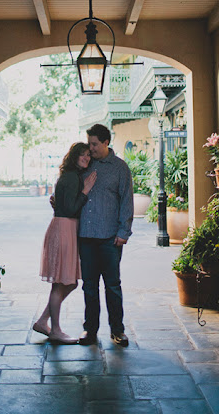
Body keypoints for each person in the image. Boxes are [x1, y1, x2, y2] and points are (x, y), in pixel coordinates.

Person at [34, 142, 97, 344]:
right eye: (82, 155)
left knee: (69, 282)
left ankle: (44, 321)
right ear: (73, 157)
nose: (86, 158)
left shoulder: (70, 176)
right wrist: (86, 190)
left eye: (88, 155)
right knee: (61, 283)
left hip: (65, 229)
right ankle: (56, 330)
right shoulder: (71, 177)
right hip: (64, 229)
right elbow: (70, 209)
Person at [78, 124, 133, 347]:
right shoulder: (84, 165)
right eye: (89, 144)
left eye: (94, 144)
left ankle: (117, 331)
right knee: (89, 287)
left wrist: (123, 232)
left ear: (106, 142)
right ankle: (90, 331)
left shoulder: (120, 168)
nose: (90, 149)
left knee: (112, 286)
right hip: (86, 237)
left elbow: (126, 202)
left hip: (110, 239)